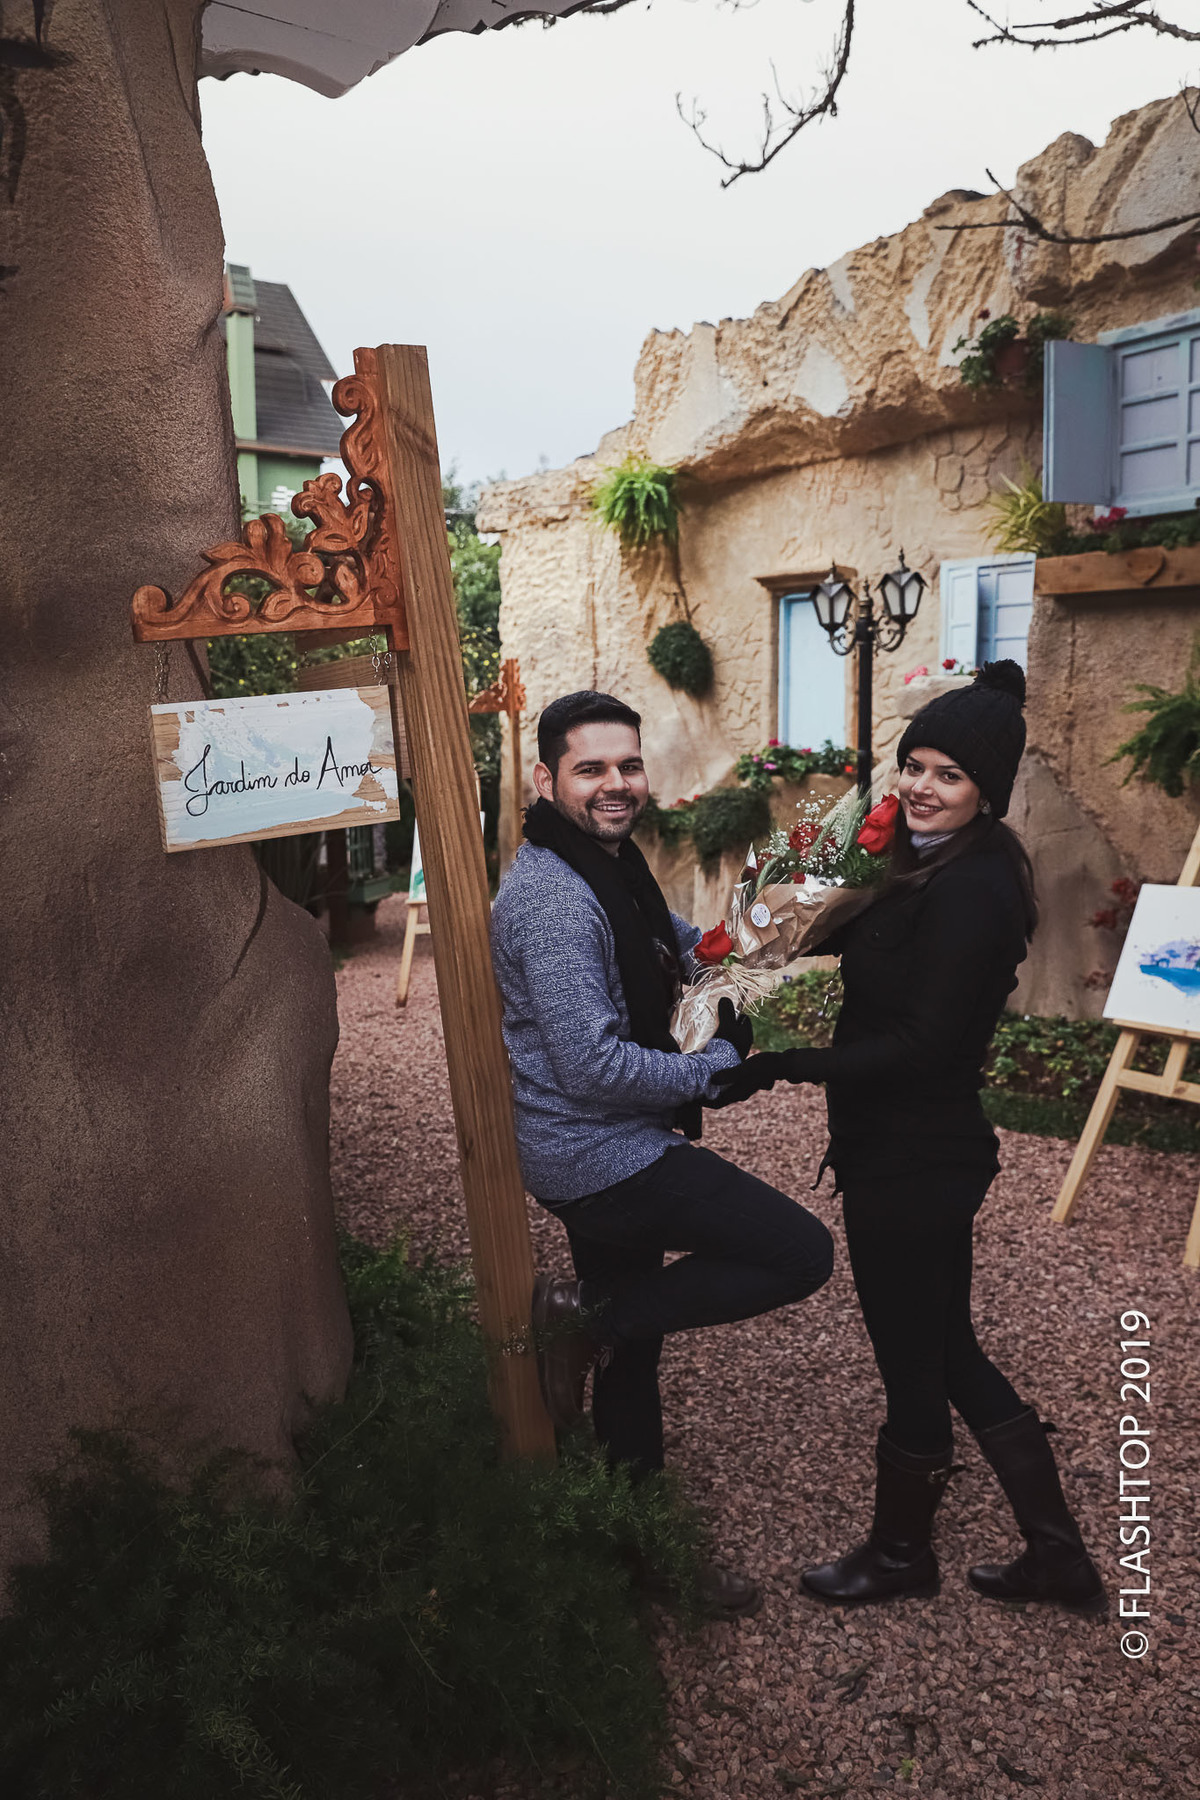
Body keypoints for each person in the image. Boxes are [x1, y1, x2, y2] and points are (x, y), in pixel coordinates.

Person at [713, 661, 1105, 1614]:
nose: (923, 787)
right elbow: (840, 933)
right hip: (904, 1150)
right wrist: (787, 896)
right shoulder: (920, 865)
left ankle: (901, 1556)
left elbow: (922, 1046)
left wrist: (780, 1066)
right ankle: (1056, 1557)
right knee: (945, 1344)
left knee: (916, 1354)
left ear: (987, 793)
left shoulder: (972, 889)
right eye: (915, 765)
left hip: (916, 1157)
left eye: (949, 776)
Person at [490, 689, 835, 1615]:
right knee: (799, 1253)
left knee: (635, 1352)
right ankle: (588, 1325)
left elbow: (676, 945)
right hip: (595, 1153)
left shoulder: (609, 867)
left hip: (607, 1140)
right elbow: (593, 1065)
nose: (616, 784)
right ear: (545, 779)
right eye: (591, 768)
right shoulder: (553, 900)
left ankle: (637, 1554)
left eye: (629, 765)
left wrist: (762, 930)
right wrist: (714, 1066)